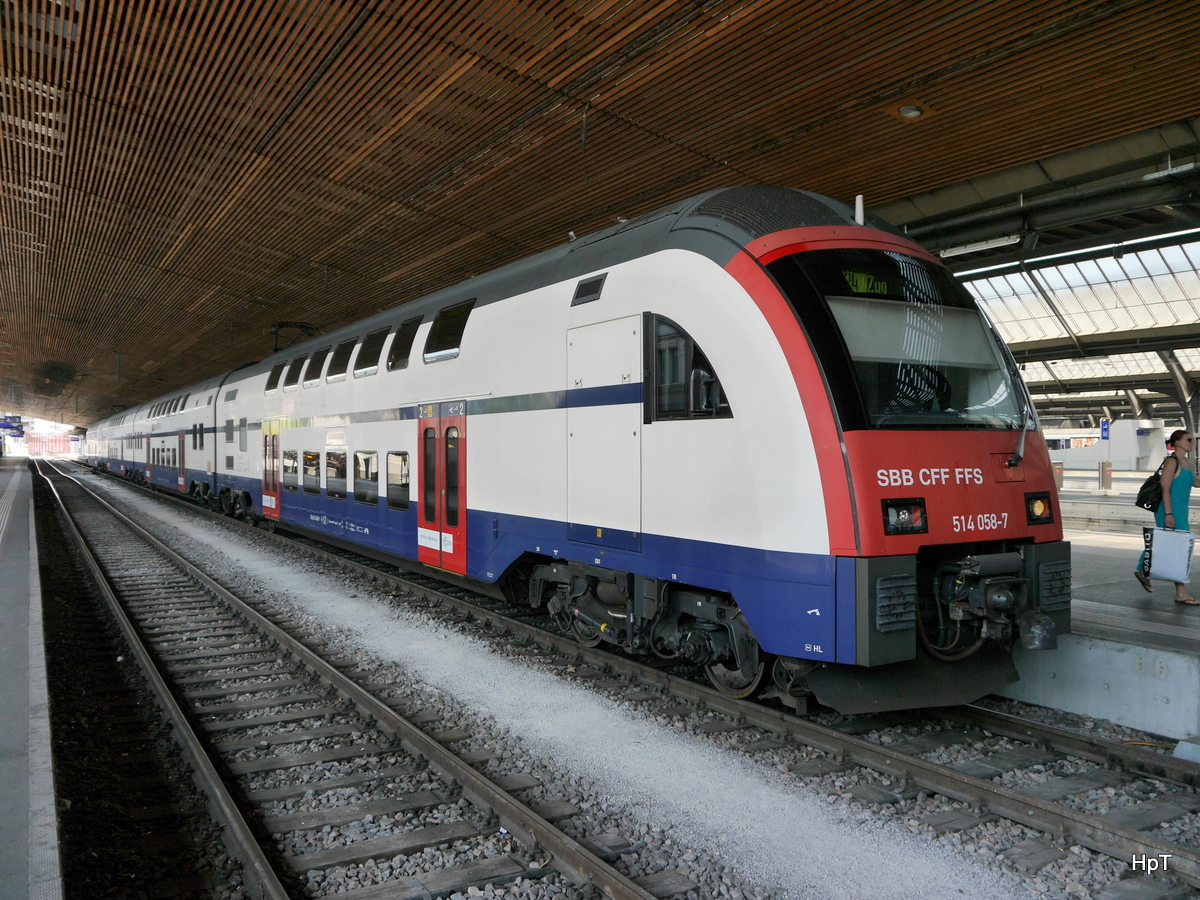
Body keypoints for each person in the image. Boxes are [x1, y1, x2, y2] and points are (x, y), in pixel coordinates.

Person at [1136, 429, 1199, 604]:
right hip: (1169, 509)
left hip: (1180, 509)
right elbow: (1165, 488)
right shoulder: (1172, 462)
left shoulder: (1186, 462)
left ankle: (1141, 569)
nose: (1192, 443)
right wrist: (1169, 513)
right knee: (1178, 548)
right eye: (1189, 440)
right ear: (1177, 442)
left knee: (1167, 545)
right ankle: (1181, 592)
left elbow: (1195, 482)